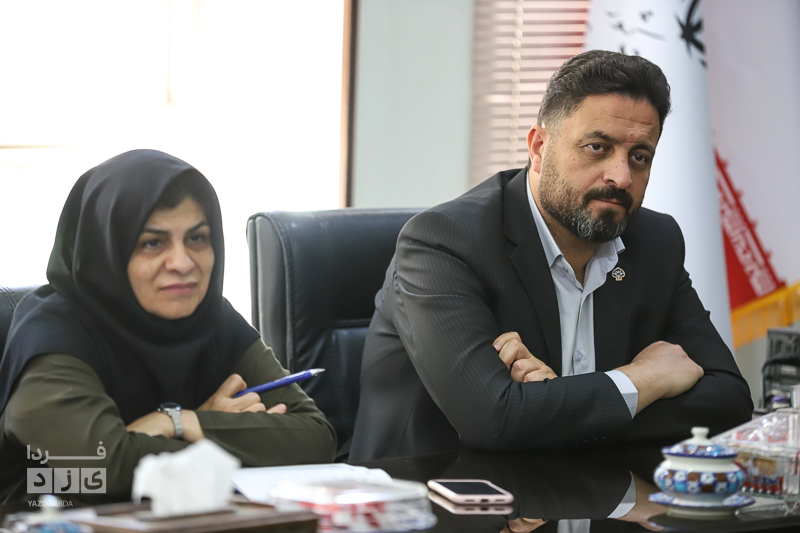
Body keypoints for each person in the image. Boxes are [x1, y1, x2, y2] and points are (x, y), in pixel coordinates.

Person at [349, 50, 753, 462]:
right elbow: (494, 419)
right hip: (430, 492)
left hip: (580, 491)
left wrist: (559, 407)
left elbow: (729, 399)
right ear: (539, 147)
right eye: (597, 147)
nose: (621, 177)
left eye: (639, 157)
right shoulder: (443, 243)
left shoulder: (655, 241)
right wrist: (640, 380)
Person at [0, 150, 336, 502]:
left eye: (197, 238)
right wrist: (221, 436)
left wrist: (179, 422)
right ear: (106, 250)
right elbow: (102, 469)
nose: (182, 262)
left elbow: (316, 439)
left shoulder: (212, 317)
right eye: (153, 243)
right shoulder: (53, 333)